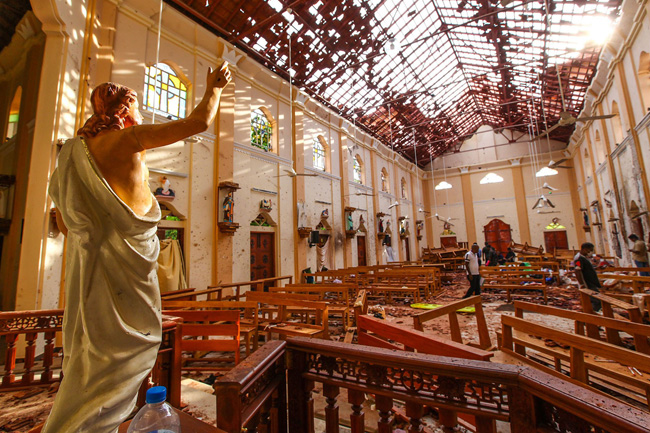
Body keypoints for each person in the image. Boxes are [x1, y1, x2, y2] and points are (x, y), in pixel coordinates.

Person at [45, 63, 232, 433]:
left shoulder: (72, 153)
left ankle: (79, 423)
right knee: (129, 348)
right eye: (138, 107)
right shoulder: (126, 140)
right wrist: (216, 88)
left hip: (95, 268)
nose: (142, 114)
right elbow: (198, 123)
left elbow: (67, 221)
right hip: (128, 267)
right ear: (123, 112)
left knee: (93, 352)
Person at [574, 242, 602, 312]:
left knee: (595, 299)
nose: (590, 252)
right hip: (587, 282)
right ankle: (593, 315)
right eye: (589, 250)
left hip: (590, 281)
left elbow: (585, 268)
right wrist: (582, 284)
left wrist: (595, 268)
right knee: (595, 300)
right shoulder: (579, 258)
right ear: (584, 249)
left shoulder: (583, 257)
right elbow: (577, 270)